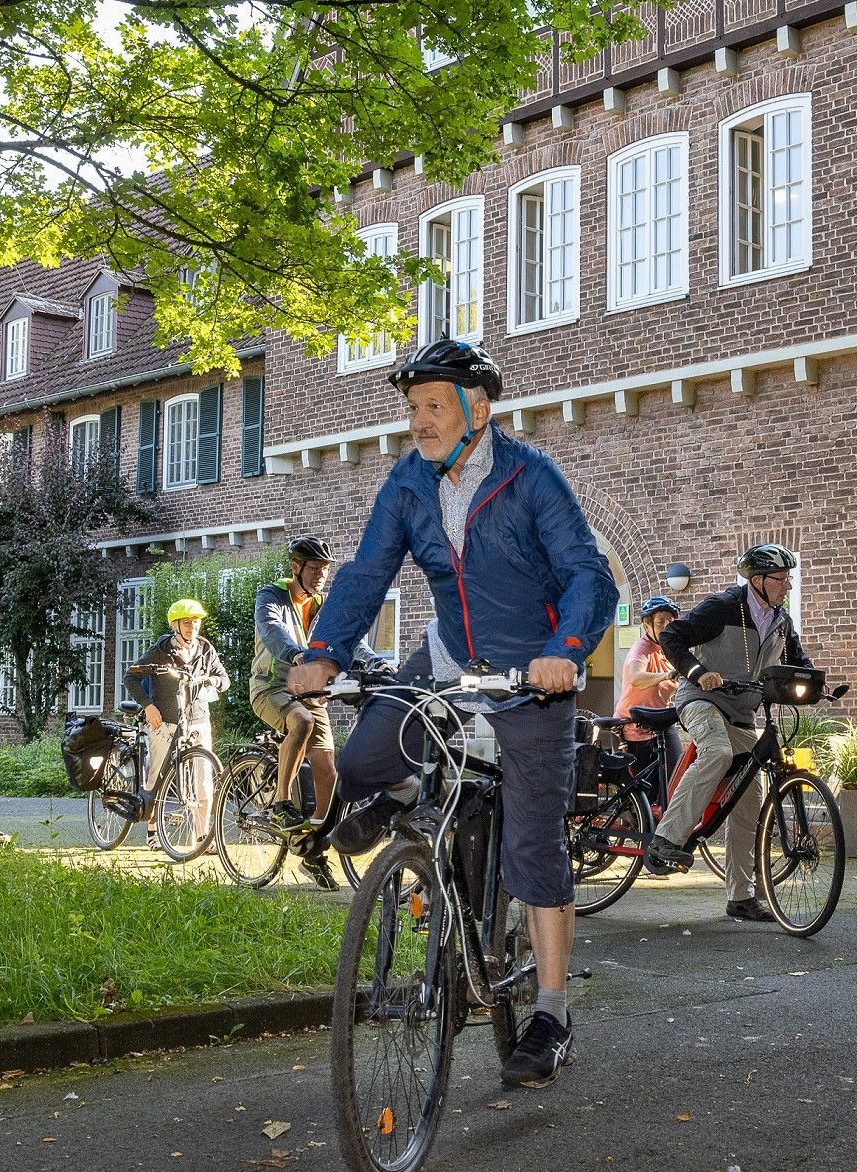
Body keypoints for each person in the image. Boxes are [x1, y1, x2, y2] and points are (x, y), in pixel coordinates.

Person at [285, 338, 616, 1090]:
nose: (419, 422)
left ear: (478, 408)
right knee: (366, 760)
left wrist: (565, 648)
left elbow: (586, 576)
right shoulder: (407, 482)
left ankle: (552, 1014)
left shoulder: (533, 478)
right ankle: (410, 805)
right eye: (413, 408)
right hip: (444, 658)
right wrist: (326, 649)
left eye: (433, 406)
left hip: (530, 677)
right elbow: (368, 571)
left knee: (535, 848)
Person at [645, 544, 815, 924]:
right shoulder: (723, 607)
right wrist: (696, 672)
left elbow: (798, 661)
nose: (787, 585)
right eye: (781, 578)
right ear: (758, 581)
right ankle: (665, 840)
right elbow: (672, 636)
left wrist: (817, 684)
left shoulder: (780, 620)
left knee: (748, 803)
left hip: (742, 712)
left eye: (789, 578)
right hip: (701, 699)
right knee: (718, 752)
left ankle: (741, 897)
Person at [250, 535, 373, 891]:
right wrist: (297, 655)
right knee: (300, 722)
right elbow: (272, 630)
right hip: (270, 687)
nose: (320, 575)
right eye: (314, 568)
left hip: (310, 693)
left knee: (328, 772)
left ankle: (313, 845)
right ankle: (281, 802)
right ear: (296, 567)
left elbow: (350, 639)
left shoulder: (320, 605)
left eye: (324, 569)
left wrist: (377, 662)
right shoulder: (271, 595)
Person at [125, 597, 233, 846]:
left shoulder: (205, 649)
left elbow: (224, 678)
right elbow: (131, 677)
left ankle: (201, 836)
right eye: (186, 623)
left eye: (195, 623)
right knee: (157, 773)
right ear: (176, 625)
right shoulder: (161, 650)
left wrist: (214, 681)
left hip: (198, 719)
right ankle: (152, 829)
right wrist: (148, 706)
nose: (192, 628)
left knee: (203, 778)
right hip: (165, 720)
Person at [615, 596, 682, 788]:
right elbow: (636, 677)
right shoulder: (641, 649)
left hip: (660, 723)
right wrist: (665, 675)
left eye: (671, 621)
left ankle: (666, 815)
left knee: (675, 776)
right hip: (634, 726)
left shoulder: (669, 649)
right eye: (661, 621)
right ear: (647, 625)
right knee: (643, 788)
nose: (667, 626)